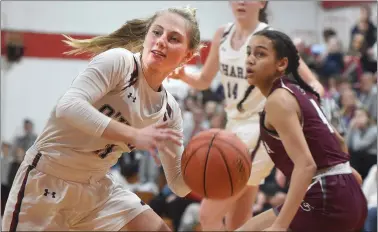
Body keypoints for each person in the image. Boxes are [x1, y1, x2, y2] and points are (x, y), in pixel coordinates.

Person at [2, 6, 201, 231]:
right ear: (146, 36)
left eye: (173, 38)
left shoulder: (170, 112)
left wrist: (208, 177)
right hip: (47, 178)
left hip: (97, 188)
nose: (161, 40)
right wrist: (135, 134)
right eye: (157, 32)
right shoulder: (121, 63)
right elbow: (68, 106)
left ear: (187, 55)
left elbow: (178, 184)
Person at [169, 1, 324, 230]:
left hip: (261, 130)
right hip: (233, 128)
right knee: (237, 223)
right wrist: (184, 76)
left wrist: (308, 104)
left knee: (208, 215)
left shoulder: (272, 38)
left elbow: (313, 83)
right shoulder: (222, 33)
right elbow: (204, 80)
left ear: (262, 2)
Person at [237, 29, 367, 232]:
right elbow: (339, 141)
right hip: (342, 193)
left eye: (260, 54)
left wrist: (280, 226)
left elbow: (306, 165)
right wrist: (344, 172)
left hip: (327, 197)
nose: (250, 60)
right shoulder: (297, 91)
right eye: (248, 53)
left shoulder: (278, 100)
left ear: (281, 64)